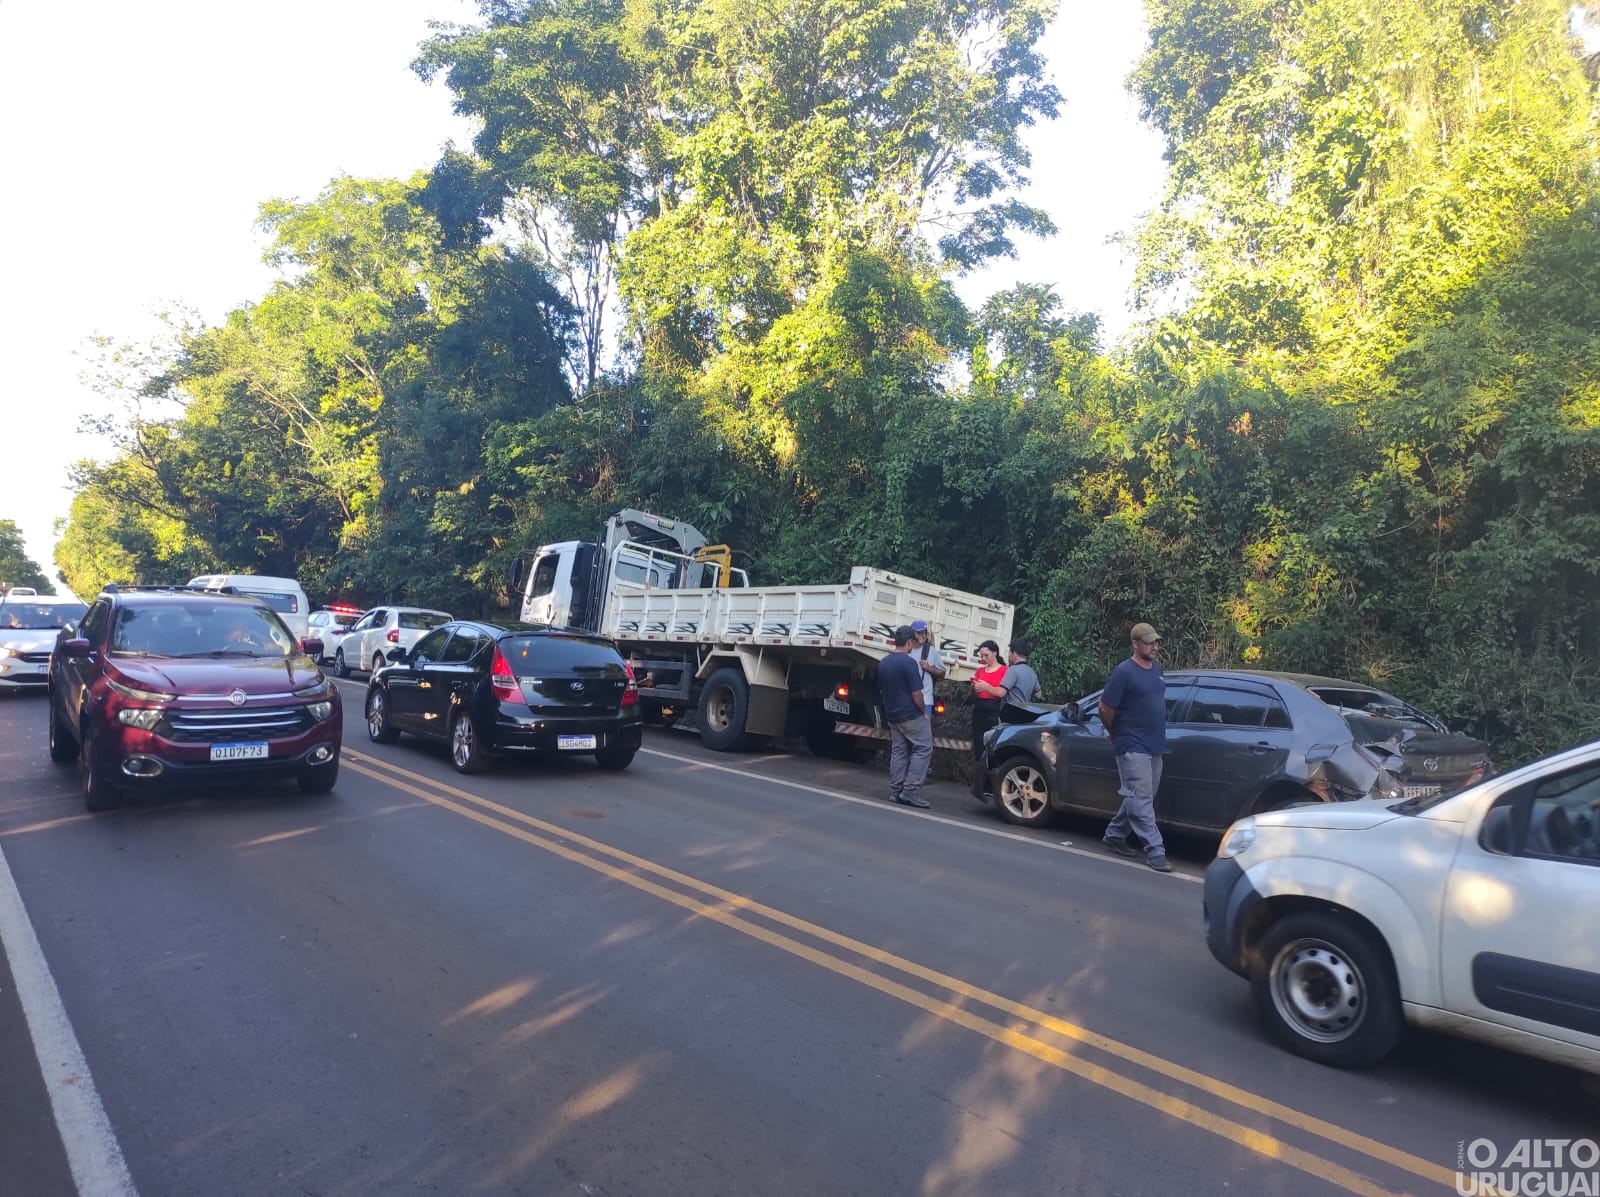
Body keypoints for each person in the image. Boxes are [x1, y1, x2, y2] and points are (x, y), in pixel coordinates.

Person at [1099, 622, 1171, 872]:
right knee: (1140, 799)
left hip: (1154, 745)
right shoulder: (1123, 672)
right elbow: (1105, 708)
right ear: (1135, 644)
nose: (1155, 646)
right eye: (1150, 642)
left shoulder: (1156, 669)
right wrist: (1114, 732)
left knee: (1141, 797)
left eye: (1156, 642)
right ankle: (1155, 850)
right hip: (1131, 744)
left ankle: (1115, 835)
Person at [877, 625, 933, 808]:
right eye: (913, 643)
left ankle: (895, 791)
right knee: (923, 748)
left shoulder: (883, 662)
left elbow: (881, 689)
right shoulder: (909, 663)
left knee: (899, 750)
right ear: (909, 642)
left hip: (892, 715)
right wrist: (924, 710)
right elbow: (917, 693)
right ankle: (910, 791)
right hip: (910, 715)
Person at [969, 639, 1007, 759]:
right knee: (978, 741)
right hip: (979, 708)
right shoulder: (980, 671)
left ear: (995, 653)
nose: (984, 658)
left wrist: (987, 687)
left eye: (987, 655)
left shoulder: (1004, 670)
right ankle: (980, 766)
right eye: (982, 656)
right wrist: (975, 688)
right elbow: (974, 694)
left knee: (992, 741)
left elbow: (1002, 692)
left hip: (994, 709)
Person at [910, 620, 946, 719]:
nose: (923, 635)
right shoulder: (907, 649)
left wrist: (929, 668)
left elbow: (942, 673)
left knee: (923, 732)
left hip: (926, 701)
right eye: (919, 633)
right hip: (907, 700)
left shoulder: (931, 651)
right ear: (912, 634)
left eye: (924, 632)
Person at [1000, 640, 1043, 706]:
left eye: (1009, 652)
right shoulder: (1032, 673)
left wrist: (987, 687)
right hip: (1023, 711)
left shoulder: (1013, 670)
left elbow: (1001, 692)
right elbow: (1038, 695)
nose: (1008, 655)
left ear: (1014, 653)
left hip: (1010, 711)